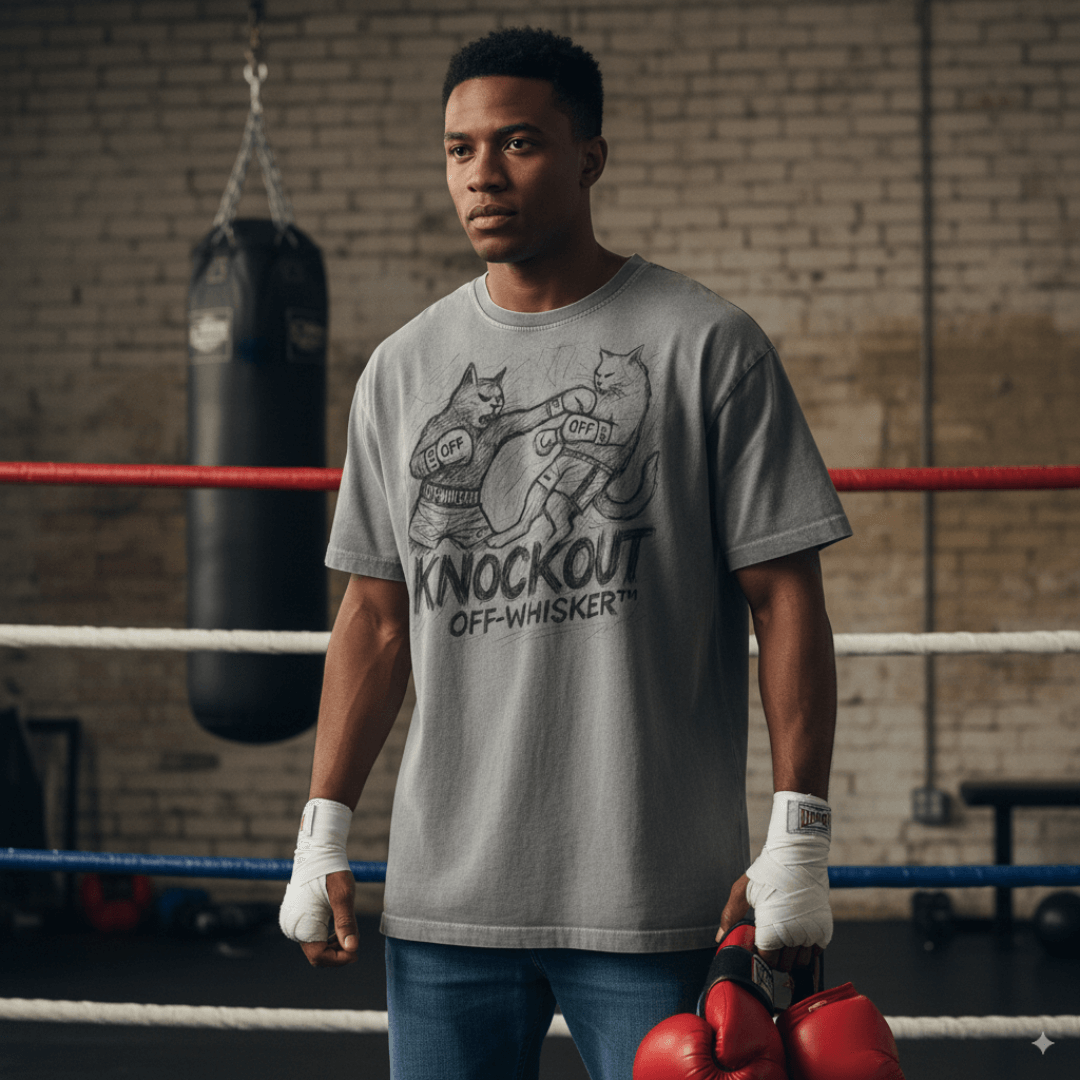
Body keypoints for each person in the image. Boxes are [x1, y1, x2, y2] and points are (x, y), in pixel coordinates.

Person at [279, 27, 850, 1080]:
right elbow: (374, 616)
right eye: (458, 150)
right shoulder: (403, 373)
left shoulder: (705, 346)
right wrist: (323, 828)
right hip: (447, 900)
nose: (482, 176)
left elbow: (787, 600)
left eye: (519, 143)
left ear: (590, 156)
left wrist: (799, 833)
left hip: (650, 898)